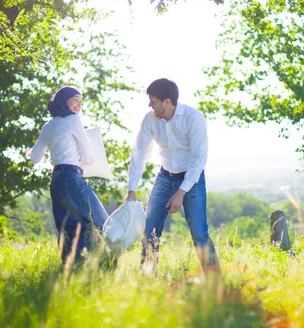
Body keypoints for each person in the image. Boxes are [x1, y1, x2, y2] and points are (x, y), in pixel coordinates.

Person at [125, 78, 219, 269]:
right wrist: (131, 190)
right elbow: (139, 153)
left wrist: (181, 192)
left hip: (192, 179)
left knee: (199, 232)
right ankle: (148, 277)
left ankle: (214, 283)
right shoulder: (149, 119)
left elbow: (199, 159)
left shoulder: (194, 118)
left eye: (153, 101)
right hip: (165, 177)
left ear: (167, 102)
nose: (150, 105)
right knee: (149, 229)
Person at [30, 86, 109, 265]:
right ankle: (84, 267)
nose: (78, 105)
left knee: (65, 227)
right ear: (63, 100)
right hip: (72, 177)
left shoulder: (47, 126)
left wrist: (44, 155)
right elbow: (88, 150)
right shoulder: (73, 120)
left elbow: (35, 158)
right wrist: (86, 159)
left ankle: (67, 268)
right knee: (93, 222)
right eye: (75, 100)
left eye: (81, 102)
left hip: (56, 181)